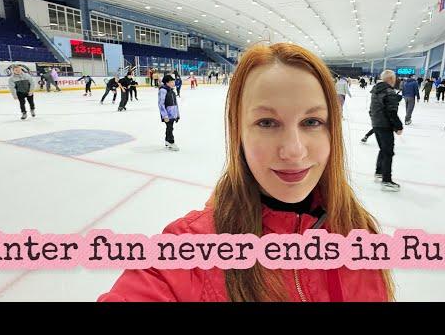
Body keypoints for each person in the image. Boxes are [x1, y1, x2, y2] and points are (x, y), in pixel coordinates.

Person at [98, 42, 394, 302]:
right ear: (237, 131)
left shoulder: (359, 233)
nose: (294, 151)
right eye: (267, 123)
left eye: (312, 122)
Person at [369, 69, 404, 192]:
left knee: (383, 149)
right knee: (388, 152)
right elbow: (391, 112)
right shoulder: (389, 91)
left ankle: (379, 172)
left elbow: (372, 109)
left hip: (376, 123)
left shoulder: (376, 90)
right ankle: (386, 180)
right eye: (394, 79)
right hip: (384, 125)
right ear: (390, 79)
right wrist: (398, 127)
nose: (395, 81)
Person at [159, 74, 180, 151]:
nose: (173, 83)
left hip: (173, 114)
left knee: (170, 127)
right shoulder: (163, 90)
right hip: (167, 114)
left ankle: (167, 140)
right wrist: (165, 115)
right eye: (171, 82)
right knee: (170, 128)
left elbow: (175, 104)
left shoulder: (172, 91)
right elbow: (161, 104)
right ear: (167, 83)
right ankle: (171, 142)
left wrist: (177, 114)